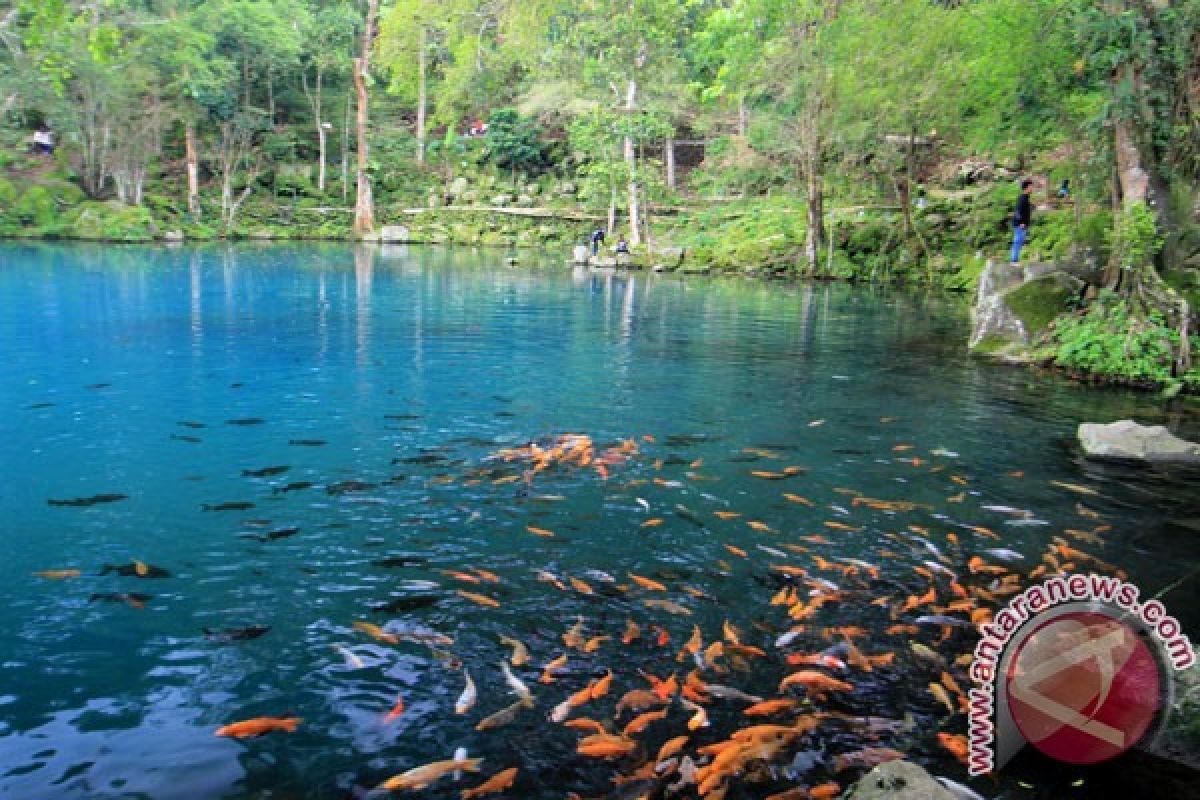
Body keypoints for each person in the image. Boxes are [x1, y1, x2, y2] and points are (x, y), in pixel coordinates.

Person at [1010, 179, 1033, 266]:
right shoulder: (1022, 198)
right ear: (1026, 188)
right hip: (1020, 225)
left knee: (1019, 242)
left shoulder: (1026, 198)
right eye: (1031, 186)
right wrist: (1021, 222)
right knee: (1017, 241)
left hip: (1023, 224)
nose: (1032, 188)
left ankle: (1015, 260)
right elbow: (1018, 211)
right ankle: (1014, 261)